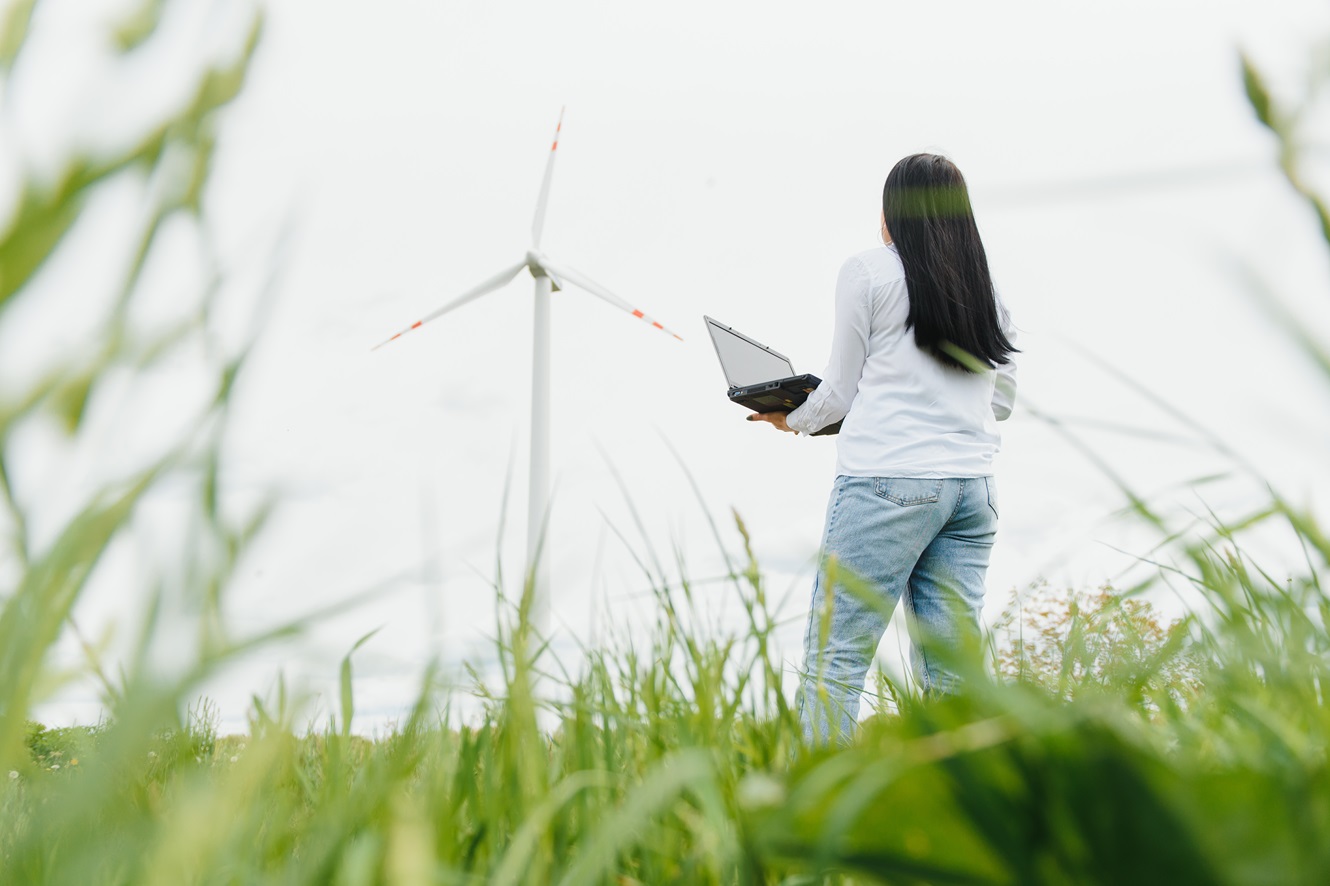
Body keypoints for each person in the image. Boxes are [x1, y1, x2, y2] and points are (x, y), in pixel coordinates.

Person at [748, 153, 1018, 745]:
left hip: (887, 484)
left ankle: (821, 816)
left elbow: (839, 391)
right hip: (972, 492)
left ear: (892, 211)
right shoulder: (982, 286)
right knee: (954, 675)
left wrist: (792, 417)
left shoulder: (868, 272)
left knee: (834, 663)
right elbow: (1001, 401)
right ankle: (963, 811)